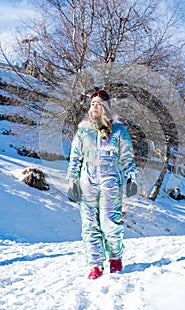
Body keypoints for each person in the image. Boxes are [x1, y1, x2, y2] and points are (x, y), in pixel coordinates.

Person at [67, 89, 137, 280]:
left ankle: (115, 258)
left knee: (110, 223)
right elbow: (75, 158)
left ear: (106, 107)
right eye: (92, 104)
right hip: (86, 182)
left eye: (98, 104)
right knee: (89, 225)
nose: (94, 107)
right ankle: (95, 264)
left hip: (110, 182)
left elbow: (127, 157)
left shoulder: (119, 131)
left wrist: (131, 177)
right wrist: (72, 180)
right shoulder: (83, 130)